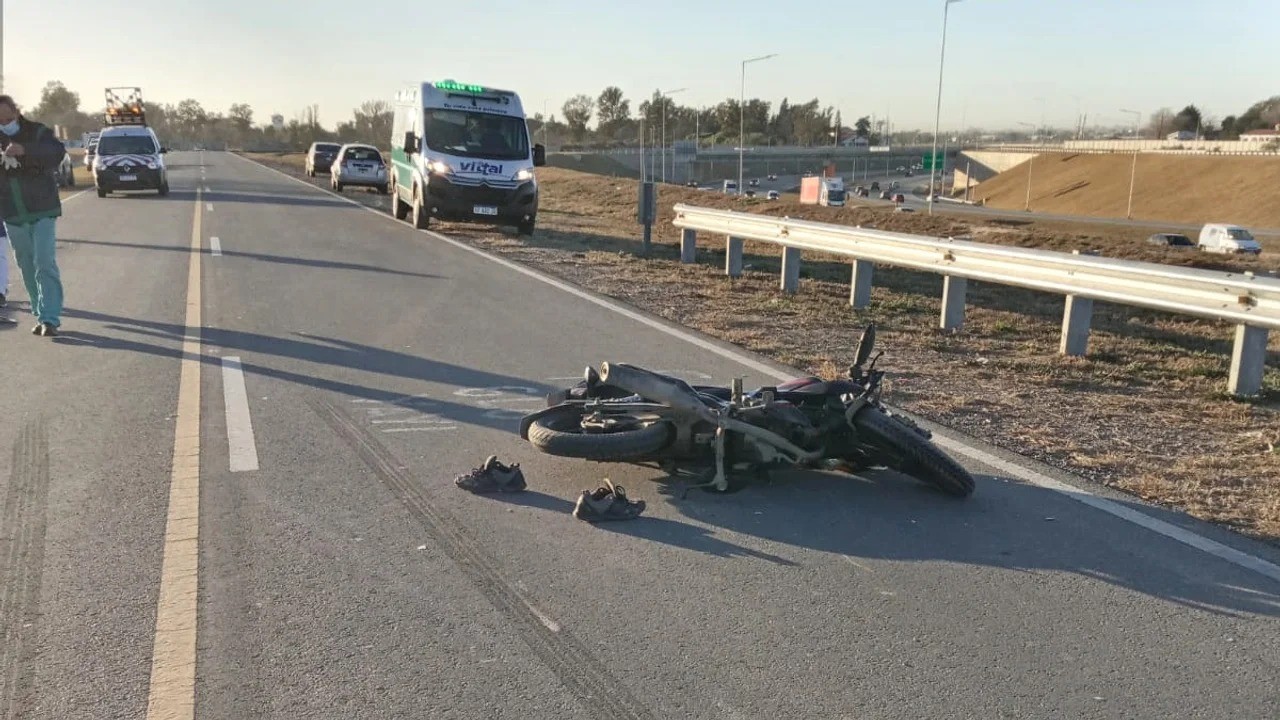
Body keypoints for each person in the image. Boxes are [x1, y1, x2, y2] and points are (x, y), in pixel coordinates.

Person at [0, 95, 65, 336]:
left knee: (44, 261)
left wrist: (24, 150)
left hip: (43, 209)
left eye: (8, 118)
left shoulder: (38, 132)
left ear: (17, 112)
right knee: (26, 265)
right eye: (0, 120)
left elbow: (57, 153)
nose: (5, 123)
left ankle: (50, 318)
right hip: (12, 212)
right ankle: (40, 313)